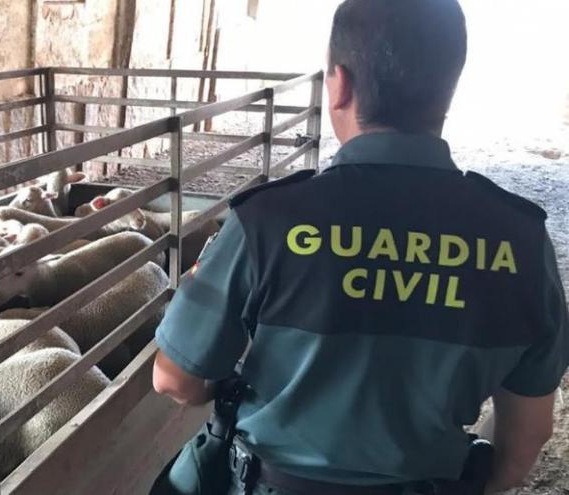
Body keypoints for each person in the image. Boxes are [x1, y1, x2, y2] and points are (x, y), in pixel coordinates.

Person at [152, 0, 569, 494]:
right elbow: (527, 435)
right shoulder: (520, 239)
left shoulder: (269, 220)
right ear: (449, 90)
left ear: (340, 85)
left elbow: (175, 379)